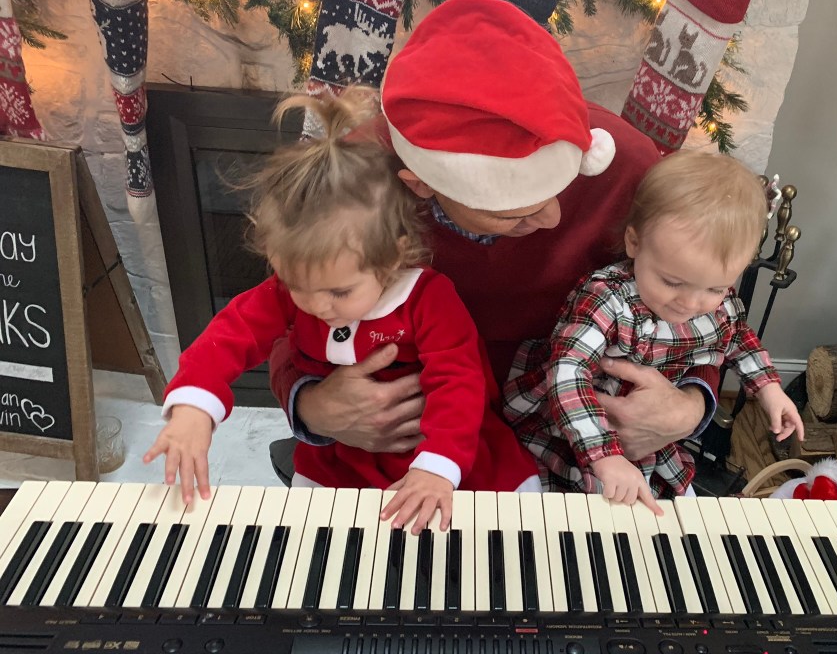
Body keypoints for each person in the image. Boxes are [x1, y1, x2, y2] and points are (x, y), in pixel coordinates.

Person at [270, 0, 723, 473]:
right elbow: (284, 308)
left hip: (572, 424)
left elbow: (700, 286)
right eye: (514, 214)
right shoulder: (354, 177)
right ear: (420, 184)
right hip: (416, 435)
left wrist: (690, 405)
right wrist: (313, 406)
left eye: (562, 189)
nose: (553, 219)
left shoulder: (625, 163)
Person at [144, 90, 541, 532]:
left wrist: (437, 466)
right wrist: (193, 406)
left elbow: (459, 382)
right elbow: (229, 335)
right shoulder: (296, 291)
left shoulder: (427, 298)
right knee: (320, 543)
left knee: (492, 532)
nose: (316, 306)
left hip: (443, 445)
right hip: (346, 458)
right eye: (297, 286)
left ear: (392, 258)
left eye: (340, 291)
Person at [503, 150, 806, 510]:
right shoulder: (607, 297)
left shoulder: (718, 302)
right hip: (574, 426)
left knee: (671, 510)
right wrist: (605, 456)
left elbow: (739, 337)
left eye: (715, 287)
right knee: (564, 509)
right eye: (672, 282)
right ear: (634, 242)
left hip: (649, 438)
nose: (690, 303)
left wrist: (769, 389)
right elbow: (568, 372)